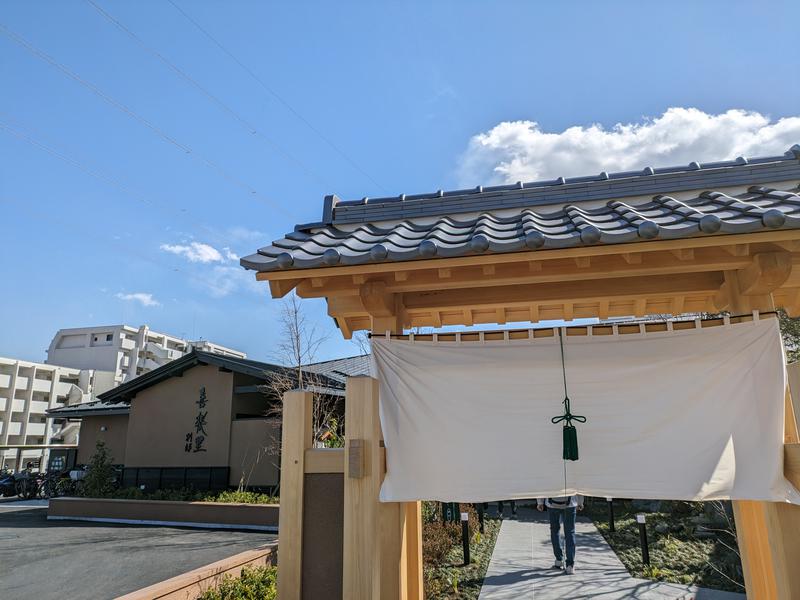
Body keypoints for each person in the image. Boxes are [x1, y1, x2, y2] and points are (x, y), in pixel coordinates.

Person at [537, 495, 584, 574]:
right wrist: (580, 502)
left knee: (555, 531)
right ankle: (570, 565)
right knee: (570, 532)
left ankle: (559, 560)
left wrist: (540, 502)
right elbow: (577, 484)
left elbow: (543, 484)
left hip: (552, 503)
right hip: (570, 503)